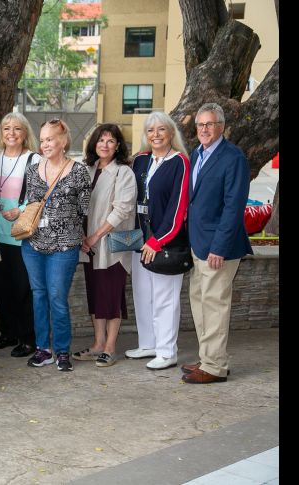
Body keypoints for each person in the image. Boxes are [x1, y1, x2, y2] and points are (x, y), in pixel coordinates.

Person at [181, 103, 252, 384]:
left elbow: (234, 207)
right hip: (197, 244)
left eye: (210, 124)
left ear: (221, 126)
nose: (204, 130)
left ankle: (215, 367)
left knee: (215, 305)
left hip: (218, 248)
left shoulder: (233, 157)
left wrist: (219, 247)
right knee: (200, 303)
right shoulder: (196, 154)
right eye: (200, 125)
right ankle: (208, 357)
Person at [21, 119, 90, 371]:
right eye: (42, 140)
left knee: (58, 298)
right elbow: (31, 203)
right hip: (33, 244)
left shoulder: (79, 171)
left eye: (50, 139)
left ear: (63, 141)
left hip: (64, 246)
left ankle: (62, 351)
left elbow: (84, 209)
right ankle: (43, 349)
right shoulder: (32, 169)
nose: (45, 144)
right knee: (39, 296)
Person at [125, 111, 190, 370]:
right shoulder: (140, 161)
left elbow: (178, 208)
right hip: (140, 240)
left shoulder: (180, 162)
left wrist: (158, 241)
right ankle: (148, 344)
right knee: (142, 295)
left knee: (165, 297)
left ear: (171, 133)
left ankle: (167, 351)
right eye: (151, 131)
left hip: (166, 242)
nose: (155, 135)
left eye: (161, 130)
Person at [74, 123, 136, 367]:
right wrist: (82, 236)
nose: (105, 145)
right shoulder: (86, 170)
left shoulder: (124, 173)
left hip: (111, 243)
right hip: (88, 245)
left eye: (110, 141)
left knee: (111, 296)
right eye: (101, 140)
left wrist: (94, 237)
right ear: (94, 144)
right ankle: (97, 344)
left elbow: (121, 210)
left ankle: (110, 348)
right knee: (96, 295)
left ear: (118, 145)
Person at [0, 112, 41, 357]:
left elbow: (40, 195)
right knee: (1, 287)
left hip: (20, 233)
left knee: (23, 288)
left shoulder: (33, 159)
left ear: (25, 133)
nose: (11, 133)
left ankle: (27, 338)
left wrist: (18, 210)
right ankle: (7, 333)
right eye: (6, 128)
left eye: (17, 129)